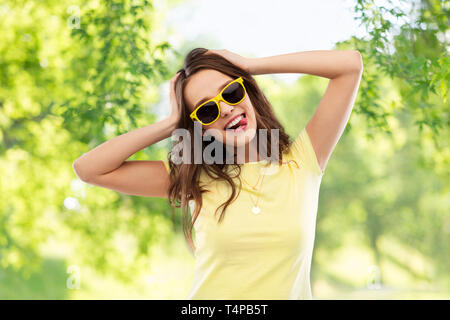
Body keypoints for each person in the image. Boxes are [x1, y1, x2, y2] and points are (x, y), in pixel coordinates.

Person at [73, 47, 363, 299]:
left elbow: (349, 66)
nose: (225, 109)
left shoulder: (302, 161)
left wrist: (251, 66)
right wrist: (171, 123)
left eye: (232, 92)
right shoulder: (194, 180)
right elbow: (88, 169)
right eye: (206, 111)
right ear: (200, 128)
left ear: (247, 89)